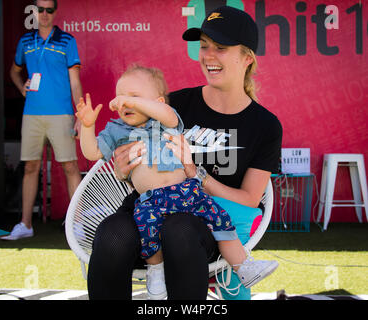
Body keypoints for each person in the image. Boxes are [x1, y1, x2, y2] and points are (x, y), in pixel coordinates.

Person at [87, 6, 282, 300]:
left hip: (205, 223)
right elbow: (135, 155)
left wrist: (196, 174)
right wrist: (123, 167)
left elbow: (249, 199)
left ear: (247, 58)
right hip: (147, 210)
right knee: (112, 233)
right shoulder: (173, 104)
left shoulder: (265, 125)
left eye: (221, 47)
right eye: (204, 46)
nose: (208, 55)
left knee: (179, 229)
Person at [2, 0, 83, 240]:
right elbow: (14, 71)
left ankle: (78, 225)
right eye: (40, 9)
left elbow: (75, 81)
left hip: (61, 113)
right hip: (32, 113)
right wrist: (21, 89)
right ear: (34, 11)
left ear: (55, 12)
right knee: (30, 167)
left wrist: (80, 114)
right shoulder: (25, 42)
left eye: (49, 10)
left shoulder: (67, 41)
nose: (44, 14)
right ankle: (26, 224)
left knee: (69, 166)